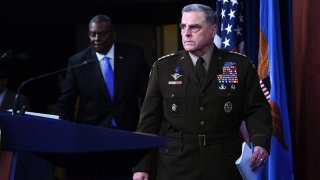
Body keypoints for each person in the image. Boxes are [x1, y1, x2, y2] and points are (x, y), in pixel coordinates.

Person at [132, 4, 272, 180]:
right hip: (176, 165)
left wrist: (260, 142)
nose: (186, 33)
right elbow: (149, 122)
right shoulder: (163, 67)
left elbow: (256, 109)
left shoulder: (238, 65)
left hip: (224, 163)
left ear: (213, 30)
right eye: (183, 27)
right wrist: (142, 167)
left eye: (194, 27)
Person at [54, 14, 149, 179]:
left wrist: (143, 131)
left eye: (102, 34)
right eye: (92, 34)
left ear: (113, 34)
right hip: (92, 141)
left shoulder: (134, 55)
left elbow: (148, 97)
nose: (96, 38)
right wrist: (69, 137)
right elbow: (65, 104)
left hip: (127, 138)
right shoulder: (78, 61)